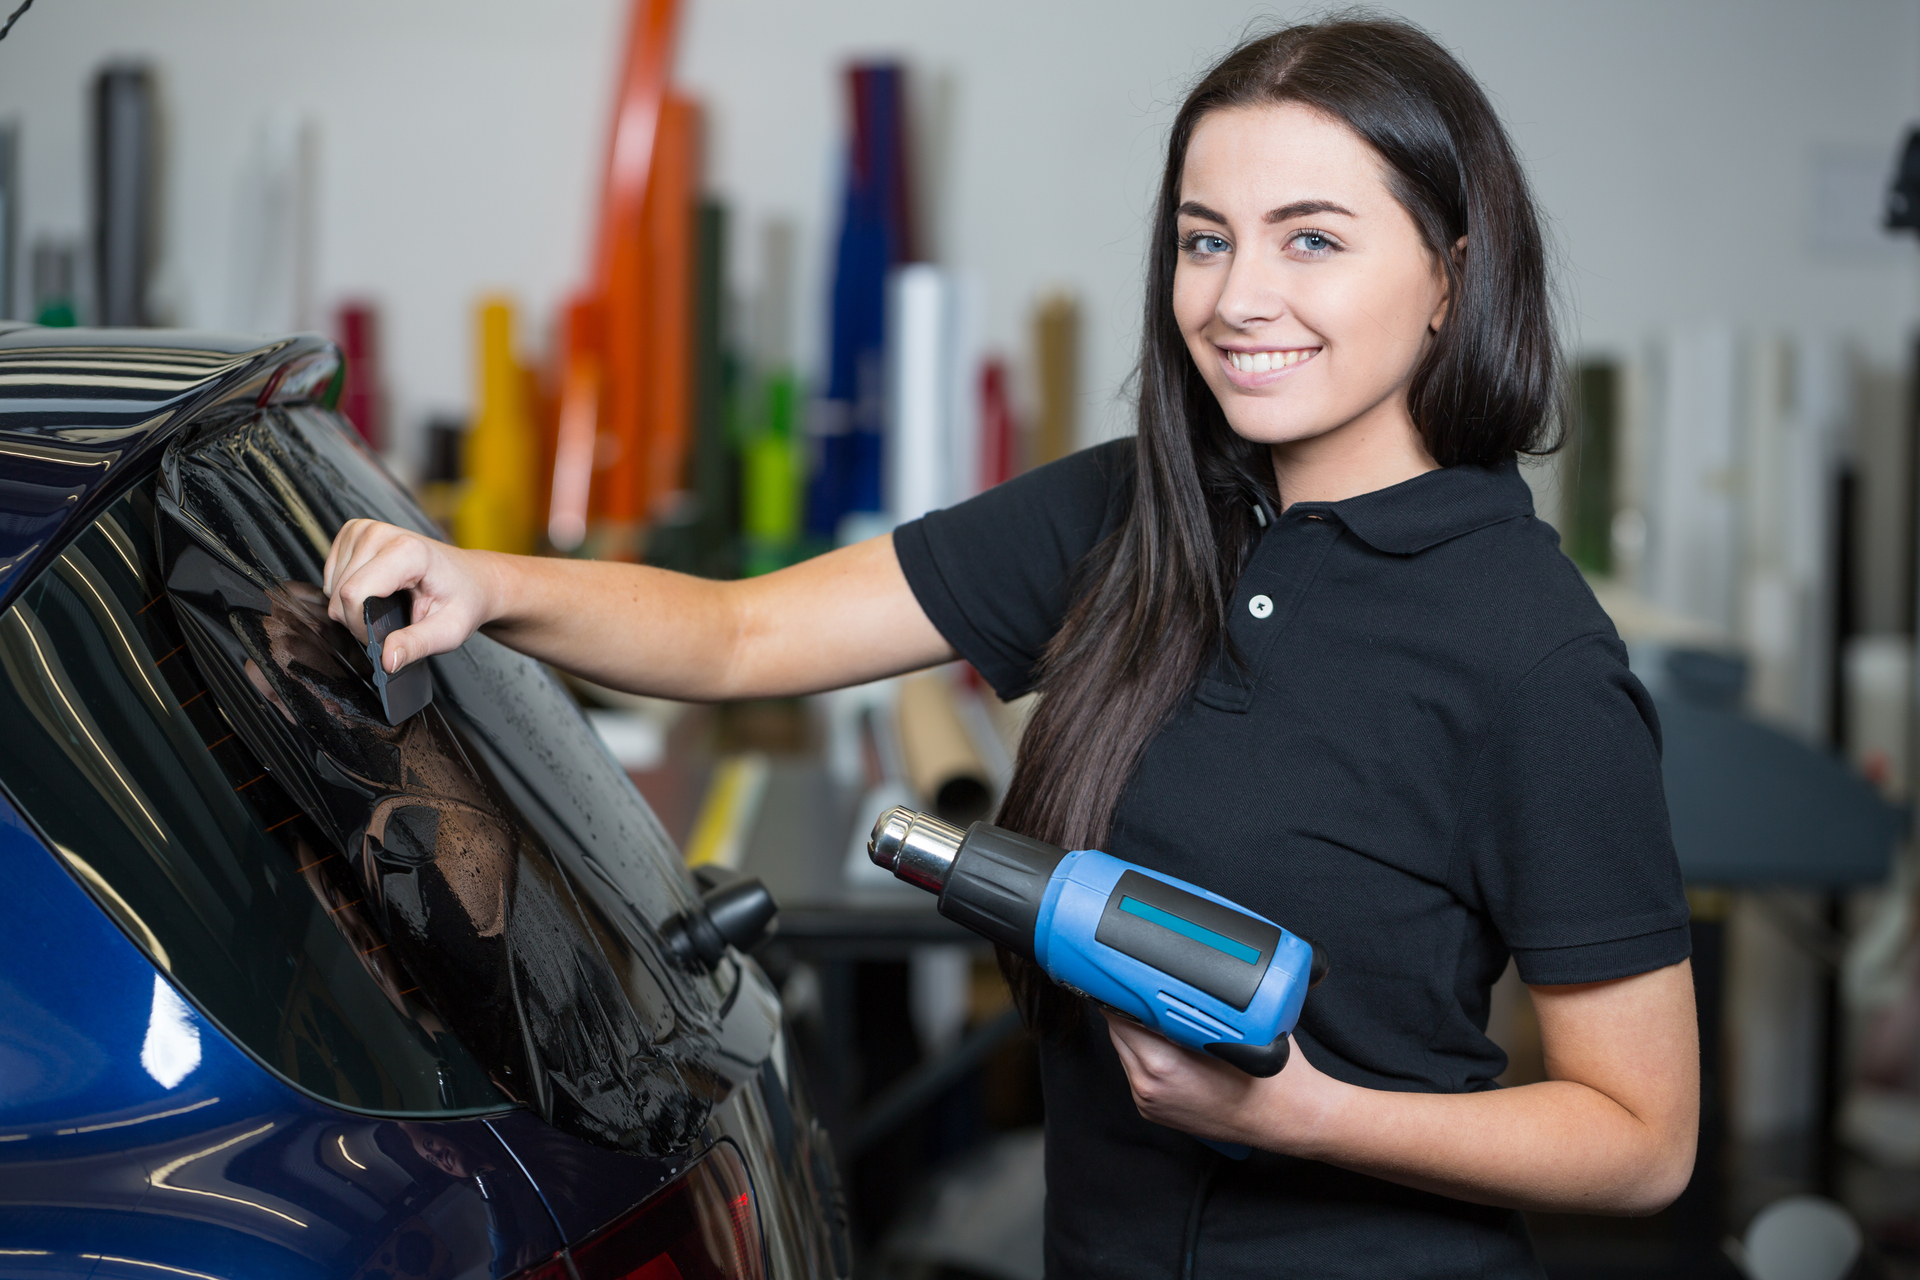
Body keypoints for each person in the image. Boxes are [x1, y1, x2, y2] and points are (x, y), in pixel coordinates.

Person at [324, 17, 1698, 1278]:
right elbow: (742, 631)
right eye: (1205, 239)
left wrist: (1312, 1117)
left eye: (1313, 240)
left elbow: (1642, 1137)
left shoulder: (1528, 647)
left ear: (1452, 275)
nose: (1236, 298)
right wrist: (480, 579)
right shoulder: (1137, 514)